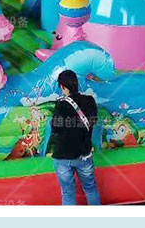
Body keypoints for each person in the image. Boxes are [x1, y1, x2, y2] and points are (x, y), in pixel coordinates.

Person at [50, 69, 101, 205]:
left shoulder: (61, 105)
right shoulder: (90, 100)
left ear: (63, 86)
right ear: (76, 84)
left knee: (68, 192)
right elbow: (93, 122)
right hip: (84, 154)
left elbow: (55, 128)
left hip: (63, 156)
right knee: (90, 189)